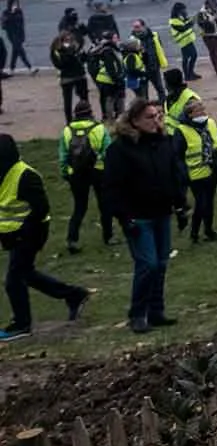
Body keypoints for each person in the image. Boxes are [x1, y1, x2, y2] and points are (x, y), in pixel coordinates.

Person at [102, 97, 185, 335]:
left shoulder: (163, 143)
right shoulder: (120, 149)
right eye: (149, 117)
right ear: (135, 120)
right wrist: (124, 217)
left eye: (158, 116)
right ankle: (137, 314)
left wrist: (180, 205)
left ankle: (156, 311)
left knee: (160, 263)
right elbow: (111, 187)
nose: (155, 121)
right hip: (138, 217)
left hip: (161, 213)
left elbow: (174, 175)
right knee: (147, 264)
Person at [0, 135, 91, 339]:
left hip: (31, 233)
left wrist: (22, 233)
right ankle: (74, 295)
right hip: (12, 236)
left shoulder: (26, 176)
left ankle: (22, 324)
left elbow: (41, 209)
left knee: (13, 280)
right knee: (26, 274)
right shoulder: (2, 173)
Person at [58, 98, 113, 252]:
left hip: (76, 173)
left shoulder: (67, 130)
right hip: (98, 171)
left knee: (79, 207)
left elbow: (63, 156)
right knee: (104, 205)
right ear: (91, 113)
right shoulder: (99, 128)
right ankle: (108, 236)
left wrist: (65, 173)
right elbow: (108, 151)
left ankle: (72, 239)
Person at [175, 99, 217, 241]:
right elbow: (177, 155)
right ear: (190, 114)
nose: (203, 113)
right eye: (199, 111)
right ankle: (196, 232)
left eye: (203, 109)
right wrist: (184, 174)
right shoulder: (182, 131)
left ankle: (207, 231)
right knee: (202, 203)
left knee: (208, 203)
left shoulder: (210, 123)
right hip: (195, 174)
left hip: (212, 171)